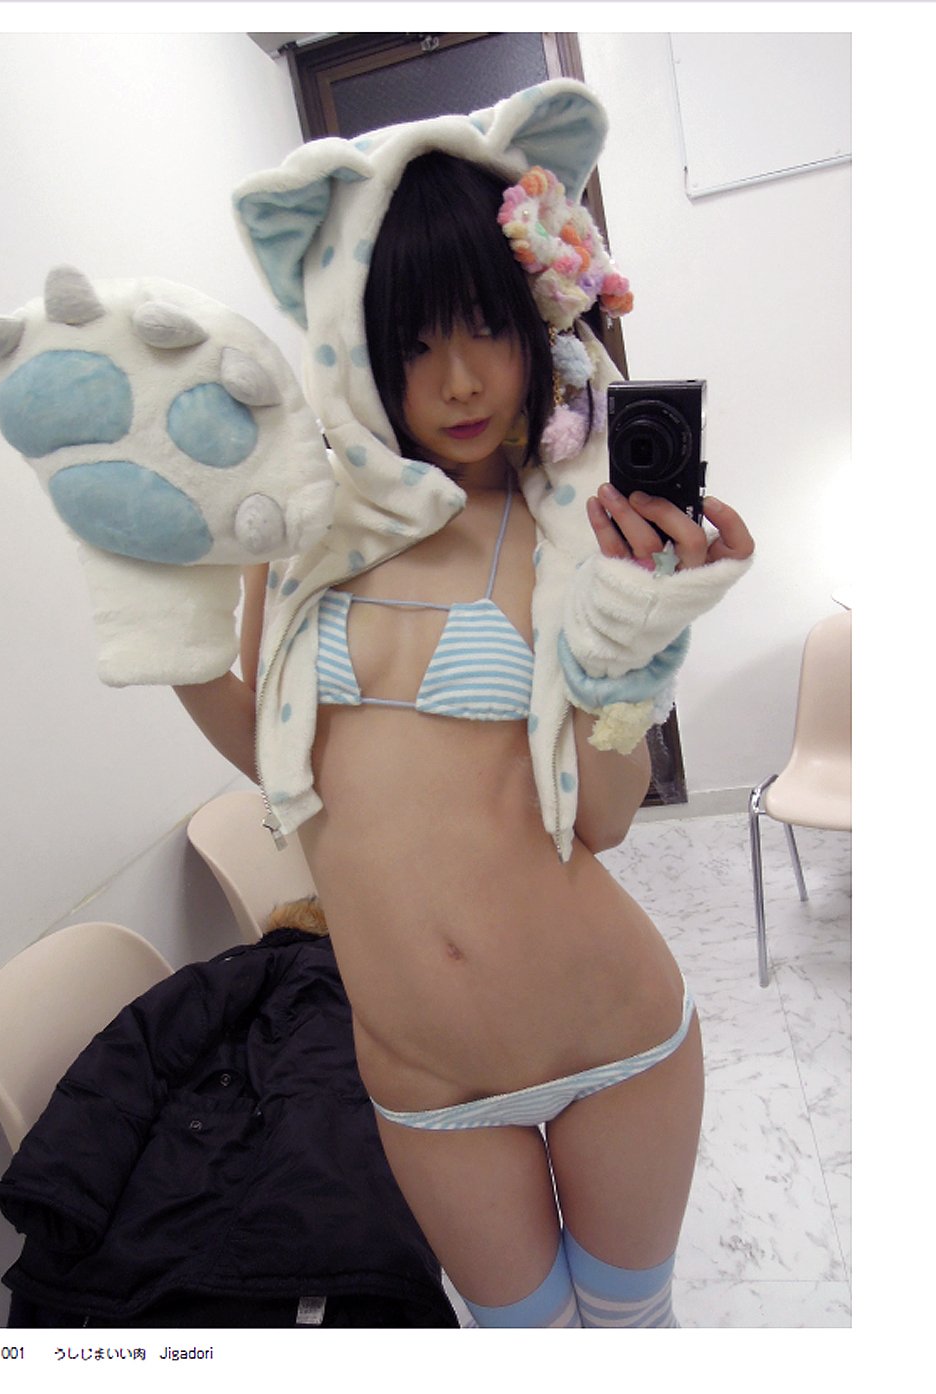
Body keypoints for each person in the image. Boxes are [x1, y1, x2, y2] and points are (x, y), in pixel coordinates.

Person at [171, 82, 754, 1329]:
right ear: (357, 351)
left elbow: (603, 819)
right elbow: (277, 764)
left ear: (534, 321)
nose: (458, 379)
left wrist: (635, 636)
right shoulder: (306, 542)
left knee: (631, 1336)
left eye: (485, 326)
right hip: (425, 1082)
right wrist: (173, 647)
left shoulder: (568, 533)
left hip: (613, 1038)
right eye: (413, 342)